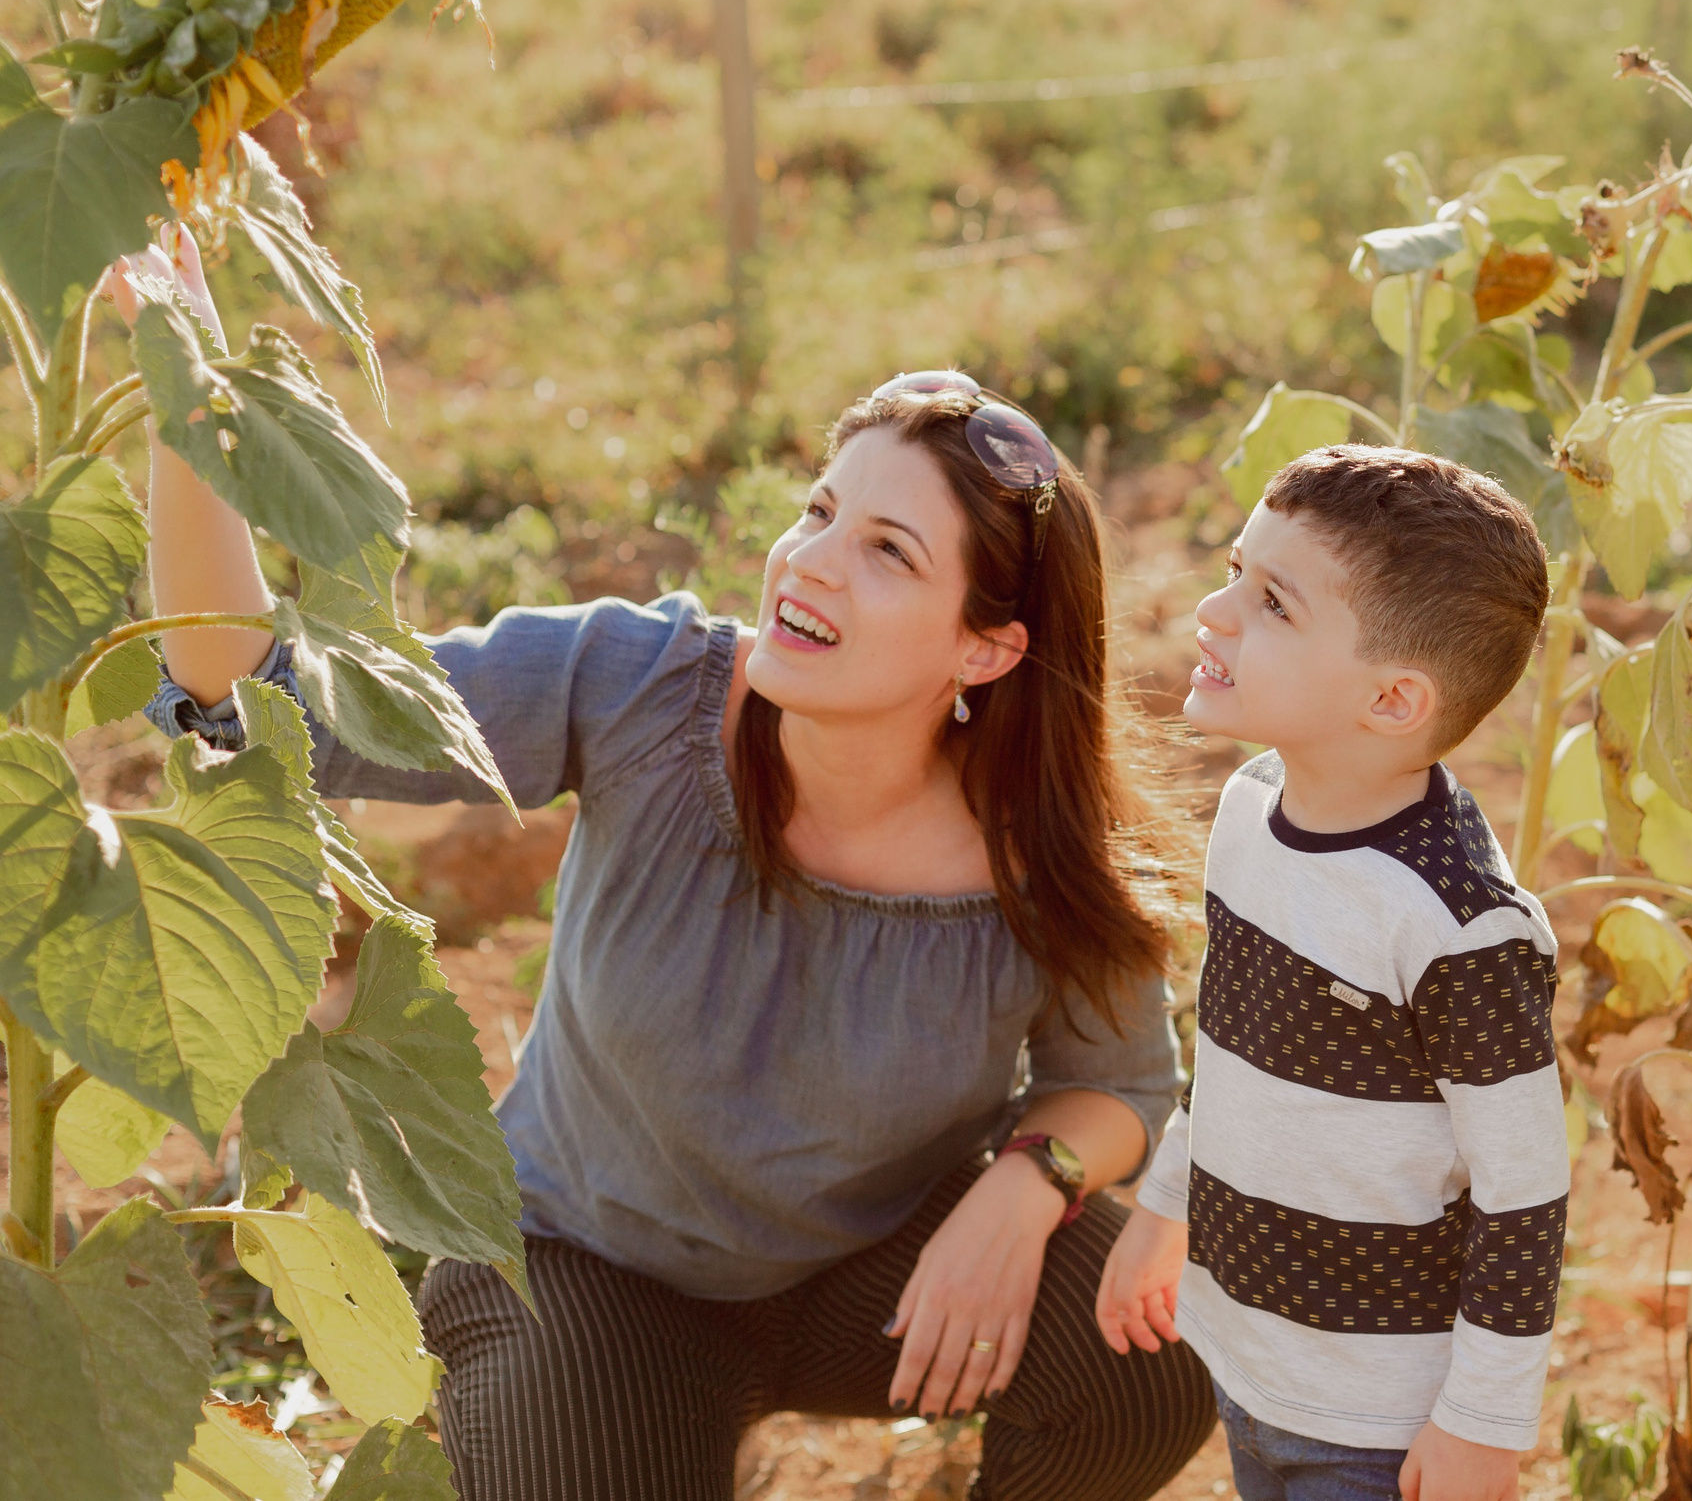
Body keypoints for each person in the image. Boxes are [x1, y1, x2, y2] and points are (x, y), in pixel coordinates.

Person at [131, 234, 1214, 1501]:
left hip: (868, 1276)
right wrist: (187, 387)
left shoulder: (1034, 847)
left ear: (985, 652)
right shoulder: (634, 685)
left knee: (1151, 1349)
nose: (808, 562)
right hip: (586, 1271)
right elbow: (263, 701)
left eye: (889, 553)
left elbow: (1122, 1086)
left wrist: (1023, 1195)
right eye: (822, 512)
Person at [1092, 446, 1569, 1501]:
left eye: (1272, 603)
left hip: (1384, 1419)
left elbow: (1522, 1197)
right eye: (1233, 569)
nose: (1213, 612)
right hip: (1254, 1359)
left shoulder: (1462, 929)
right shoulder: (1250, 812)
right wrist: (1164, 1211)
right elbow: (1227, 1054)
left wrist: (1482, 1428)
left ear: (1394, 700)